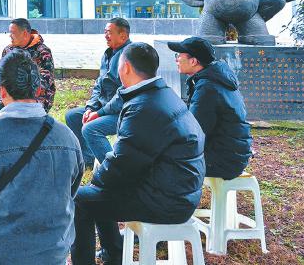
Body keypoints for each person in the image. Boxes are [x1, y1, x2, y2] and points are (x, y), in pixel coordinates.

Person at [70, 42, 205, 265]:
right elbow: (128, 161)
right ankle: (114, 254)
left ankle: (101, 257)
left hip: (167, 200)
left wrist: (97, 181)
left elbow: (122, 165)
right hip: (177, 190)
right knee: (100, 191)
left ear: (125, 68)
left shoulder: (144, 107)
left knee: (81, 200)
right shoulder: (160, 94)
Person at [0, 49, 83, 265]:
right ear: (38, 89)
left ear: (2, 90)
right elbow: (71, 191)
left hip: (1, 253)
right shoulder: (68, 137)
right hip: (54, 253)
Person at [169, 36, 252, 179]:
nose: (176, 60)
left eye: (179, 56)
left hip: (224, 161)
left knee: (162, 162)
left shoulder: (207, 88)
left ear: (193, 61)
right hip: (232, 155)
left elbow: (195, 132)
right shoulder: (215, 79)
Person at [65, 17, 131, 166]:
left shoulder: (129, 56)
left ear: (123, 36)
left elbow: (124, 93)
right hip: (104, 107)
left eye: (109, 32)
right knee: (73, 116)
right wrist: (90, 108)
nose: (106, 36)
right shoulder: (108, 54)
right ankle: (88, 159)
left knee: (90, 128)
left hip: (123, 112)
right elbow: (98, 86)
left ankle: (113, 168)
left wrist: (99, 113)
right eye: (105, 32)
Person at [0, 18, 56, 120]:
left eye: (13, 33)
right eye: (9, 32)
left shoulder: (43, 52)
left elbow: (46, 80)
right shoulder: (8, 50)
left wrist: (21, 93)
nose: (10, 36)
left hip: (35, 96)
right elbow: (1, 75)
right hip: (11, 93)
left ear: (24, 33)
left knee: (23, 114)